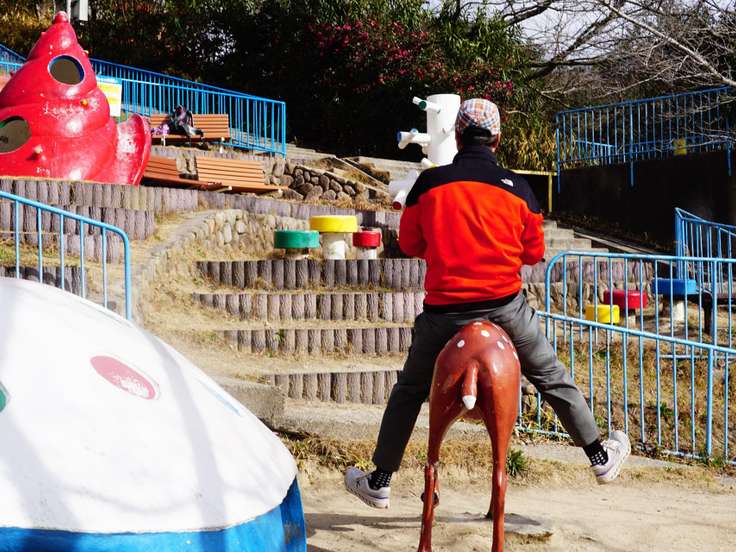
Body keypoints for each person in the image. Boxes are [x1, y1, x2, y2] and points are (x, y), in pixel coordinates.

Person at [344, 98, 630, 509]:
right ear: (497, 139)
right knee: (550, 375)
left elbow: (409, 243)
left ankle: (381, 479)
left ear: (458, 137)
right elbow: (533, 253)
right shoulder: (520, 189)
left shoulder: (429, 184)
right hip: (505, 308)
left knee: (409, 390)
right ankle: (599, 458)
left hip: (444, 314)